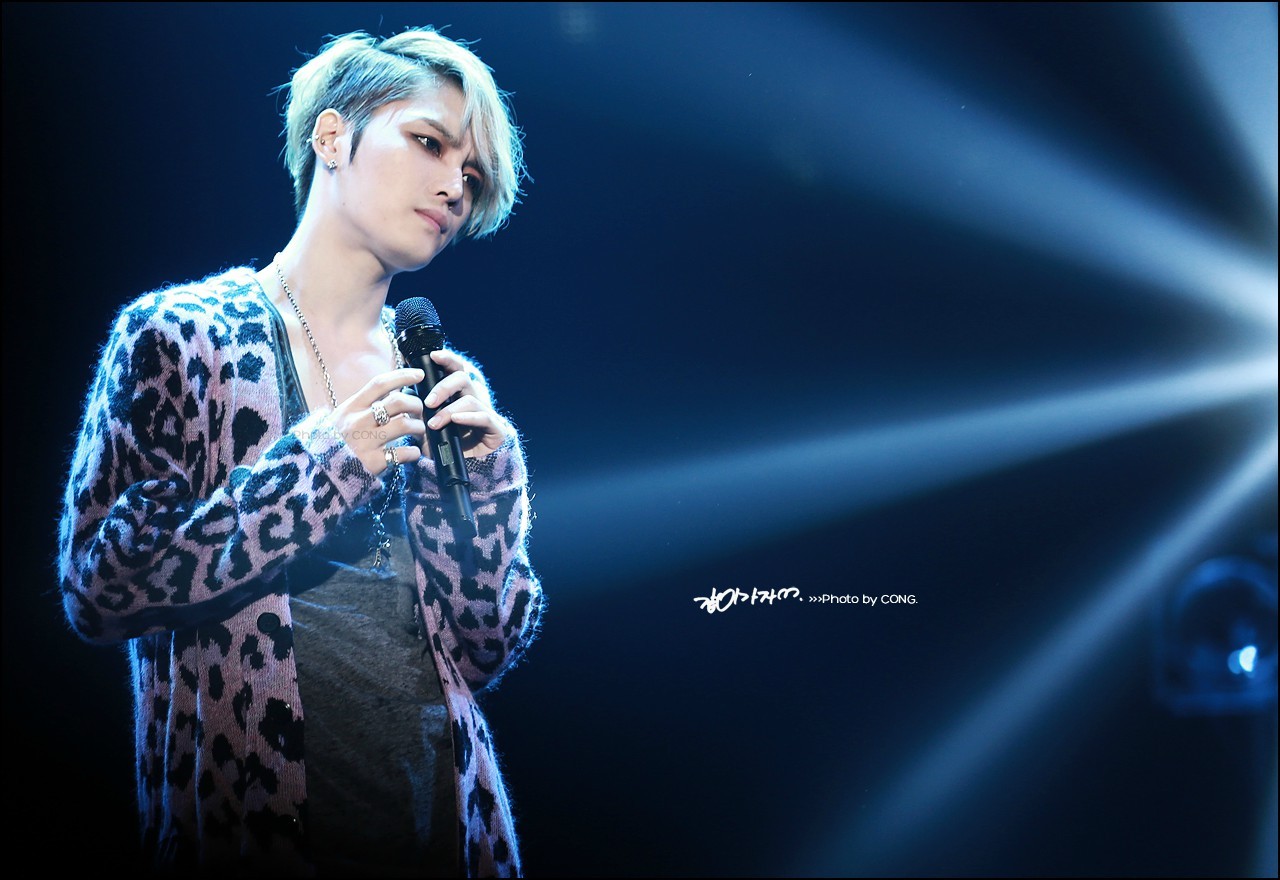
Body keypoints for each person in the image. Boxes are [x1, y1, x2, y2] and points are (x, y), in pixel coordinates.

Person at [57, 27, 543, 878]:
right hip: (252, 829)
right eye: (429, 142)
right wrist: (320, 469)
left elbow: (481, 647)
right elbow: (102, 586)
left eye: (471, 176)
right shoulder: (183, 337)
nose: (453, 188)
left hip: (444, 836)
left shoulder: (439, 383)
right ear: (331, 136)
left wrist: (491, 492)